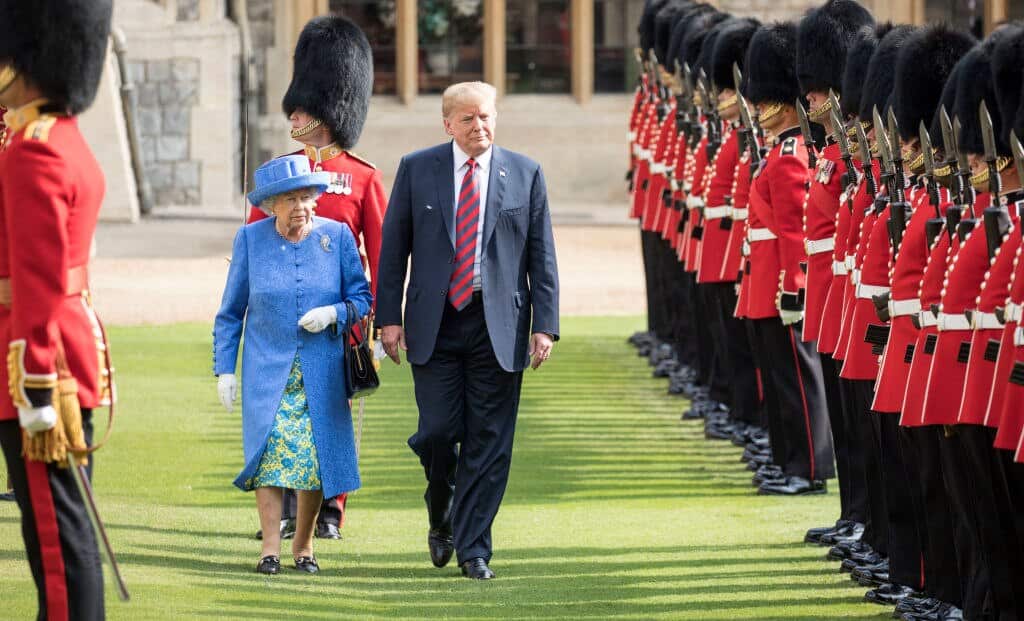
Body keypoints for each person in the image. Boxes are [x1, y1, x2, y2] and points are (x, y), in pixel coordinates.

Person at [377, 81, 560, 580]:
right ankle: (442, 510)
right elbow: (393, 249)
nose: (479, 126)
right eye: (467, 119)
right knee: (438, 432)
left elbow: (541, 255)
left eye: (486, 116)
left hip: (499, 323)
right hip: (434, 322)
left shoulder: (525, 172)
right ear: (447, 125)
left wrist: (545, 325)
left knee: (489, 440)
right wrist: (388, 318)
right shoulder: (418, 169)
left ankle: (474, 547)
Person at [246, 14, 383, 543]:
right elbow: (253, 247)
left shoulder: (363, 177)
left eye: (303, 109)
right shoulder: (279, 172)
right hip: (282, 318)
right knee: (281, 410)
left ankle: (330, 510)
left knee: (331, 414)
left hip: (337, 322)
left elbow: (381, 257)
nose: (294, 115)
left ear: (327, 110)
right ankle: (283, 508)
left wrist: (380, 324)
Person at [0, 0, 114, 617]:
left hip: (38, 362)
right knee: (63, 531)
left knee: (55, 539)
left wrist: (37, 381)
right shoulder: (62, 138)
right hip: (63, 349)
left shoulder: (33, 149)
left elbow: (39, 281)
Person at [213, 155, 372, 575]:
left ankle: (303, 546)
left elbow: (362, 299)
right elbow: (230, 312)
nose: (301, 206)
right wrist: (225, 370)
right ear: (271, 205)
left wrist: (334, 314)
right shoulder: (250, 240)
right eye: (290, 199)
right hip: (266, 370)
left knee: (313, 459)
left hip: (321, 371)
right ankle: (269, 549)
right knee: (268, 455)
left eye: (306, 197)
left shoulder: (337, 237)